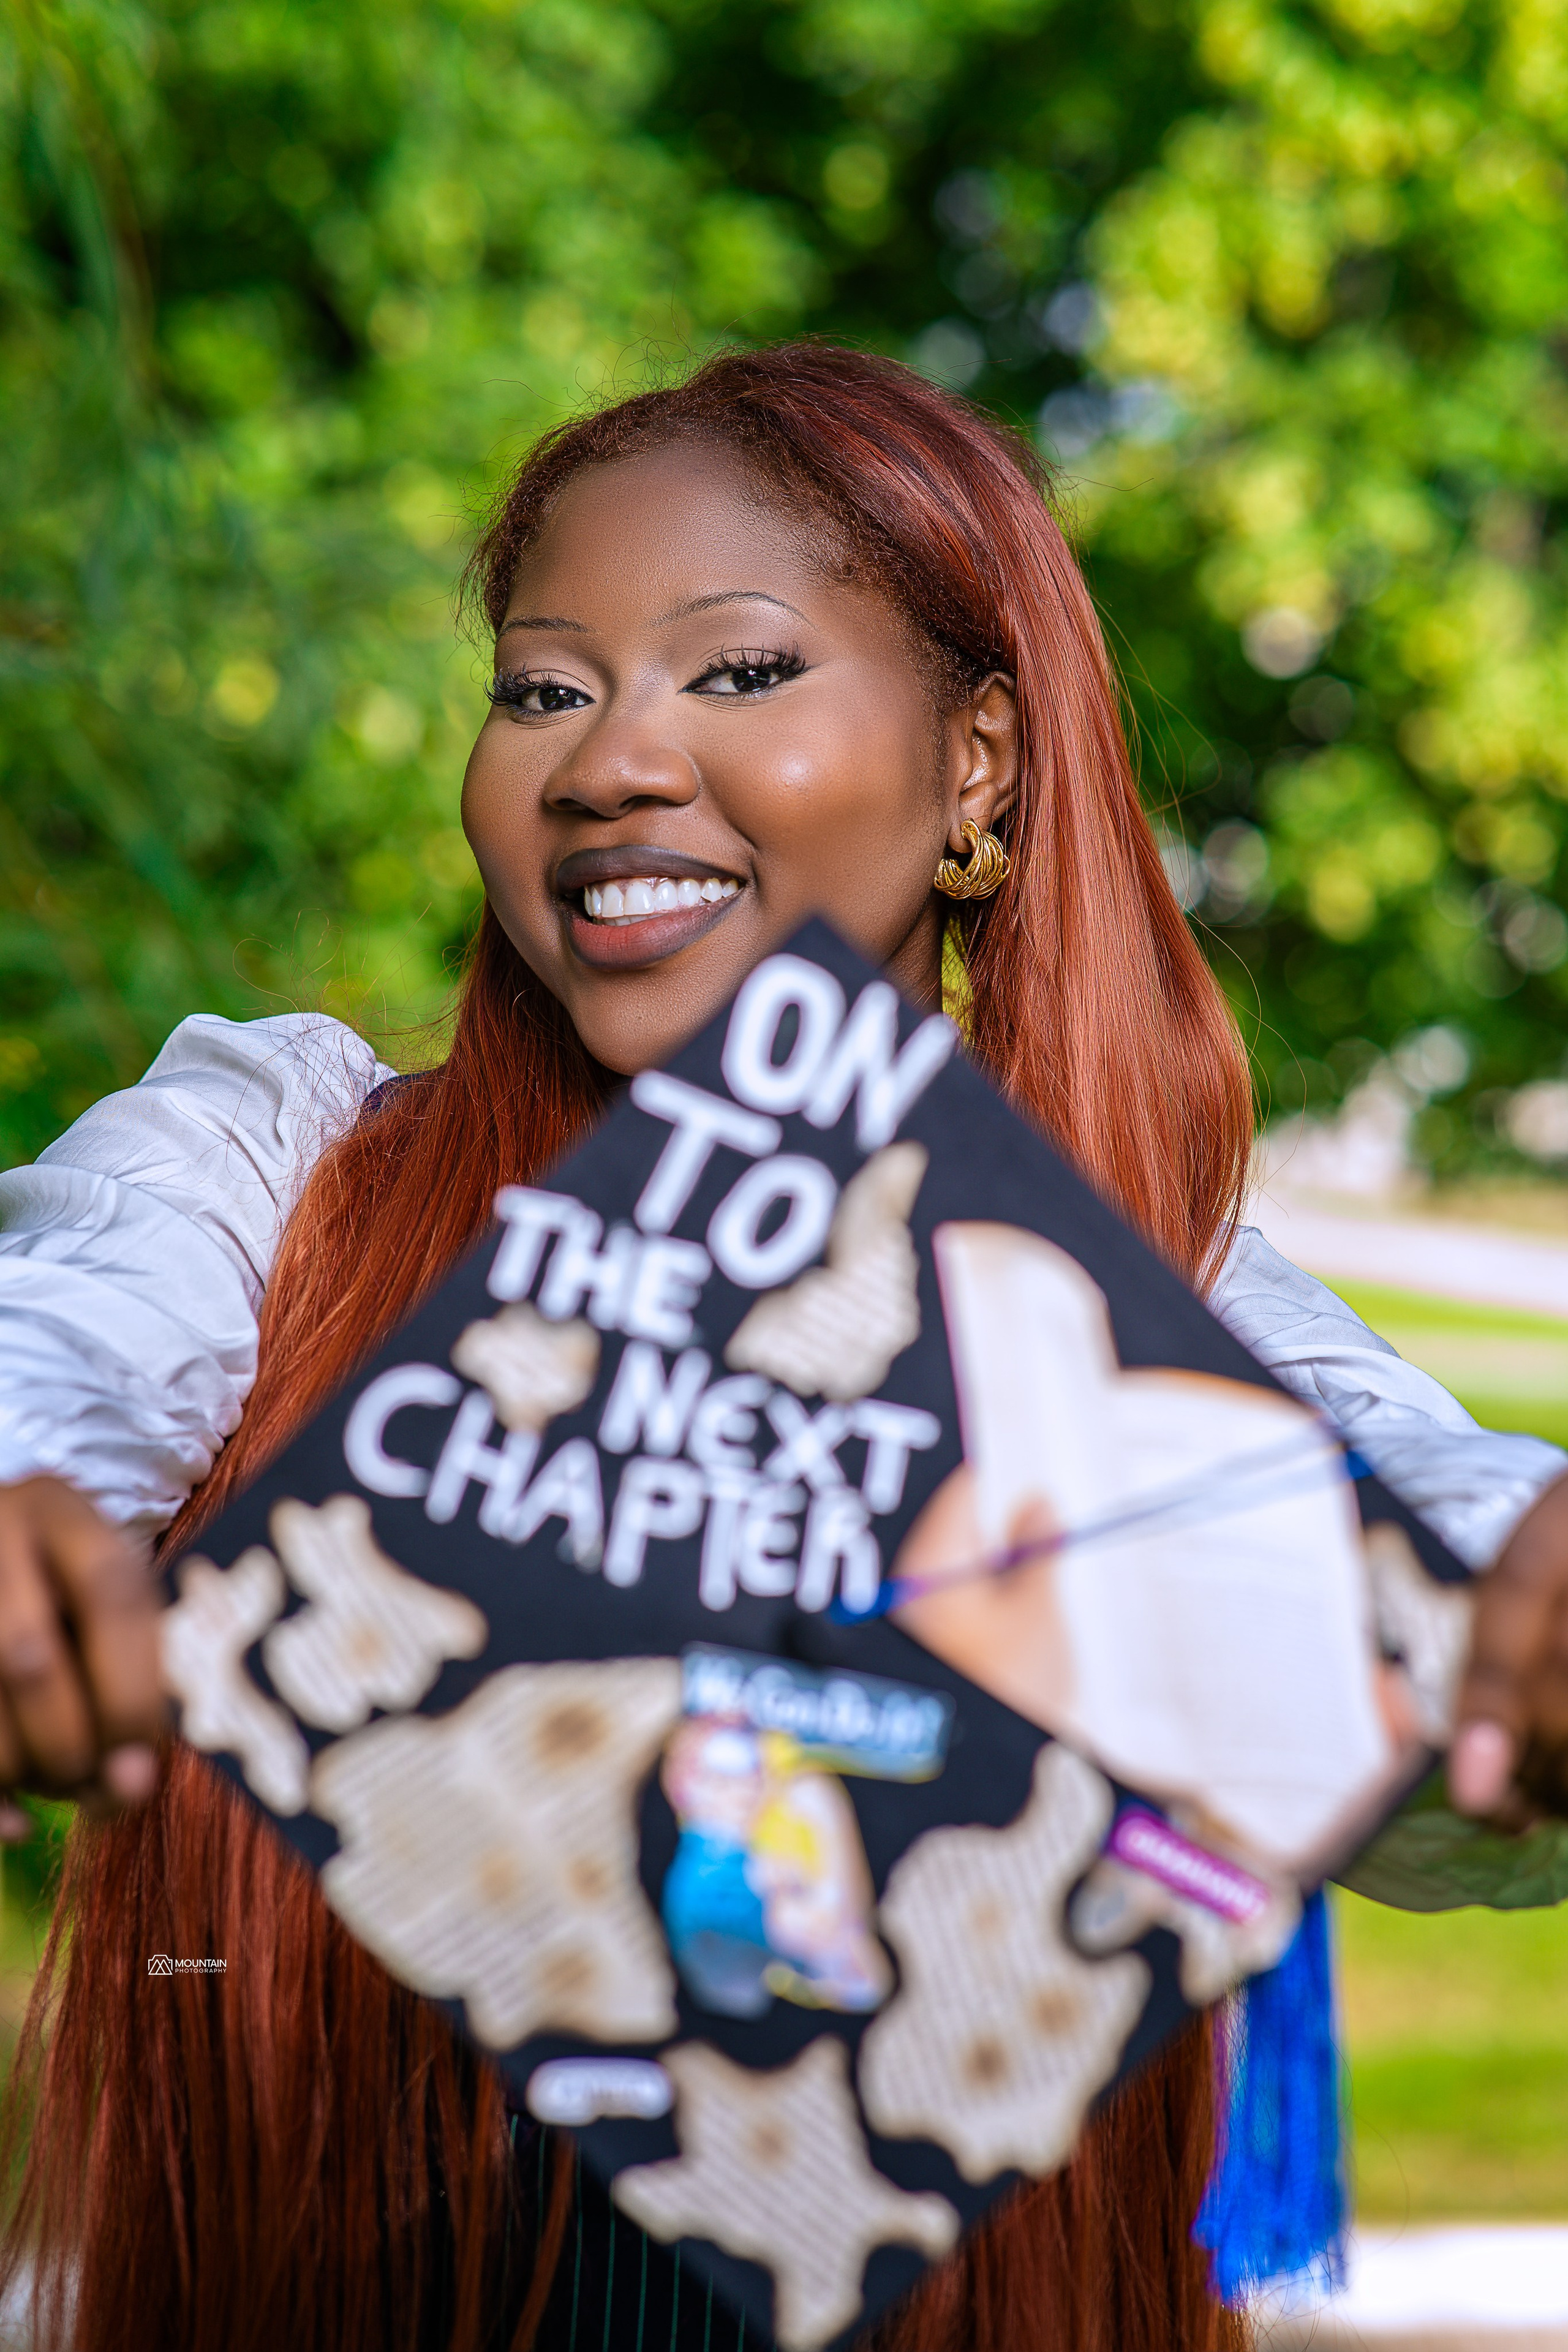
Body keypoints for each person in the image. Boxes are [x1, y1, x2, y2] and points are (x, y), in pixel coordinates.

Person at [1, 344, 1566, 2352]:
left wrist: (1513, 1595)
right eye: (545, 688)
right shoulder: (272, 1167)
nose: (607, 761)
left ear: (978, 766)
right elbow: (57, 1352)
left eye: (736, 673)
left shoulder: (1127, 1293)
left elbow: (1410, 1534)